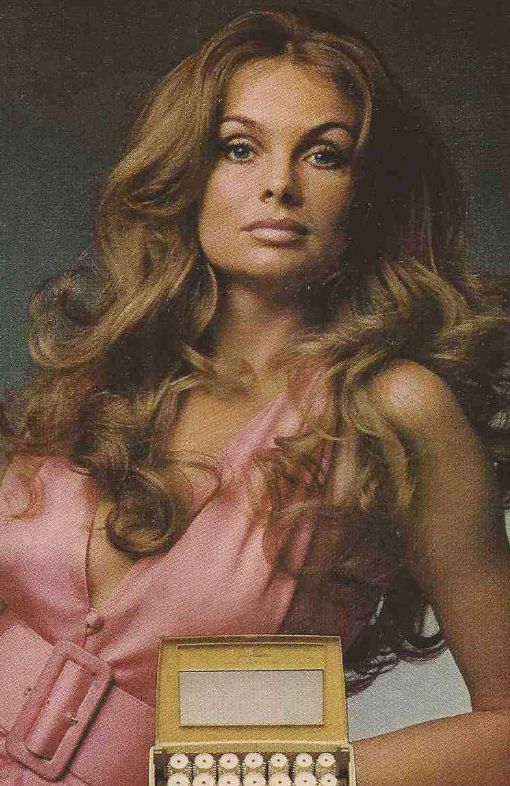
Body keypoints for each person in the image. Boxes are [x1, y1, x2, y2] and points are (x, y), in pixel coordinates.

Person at [0, 6, 509, 786]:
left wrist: (292, 779)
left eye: (325, 155)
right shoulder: (105, 370)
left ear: (369, 192)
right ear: (190, 172)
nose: (279, 185)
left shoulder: (395, 408)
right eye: (239, 148)